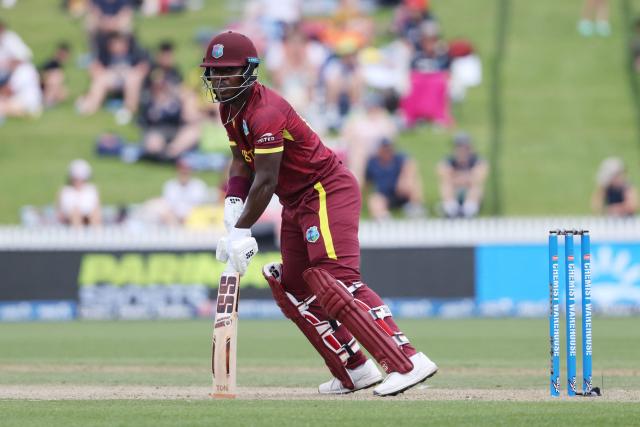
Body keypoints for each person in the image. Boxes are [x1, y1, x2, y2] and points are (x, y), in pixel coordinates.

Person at [200, 31, 437, 397]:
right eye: (213, 72)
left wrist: (242, 229)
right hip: (295, 201)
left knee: (335, 279)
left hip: (325, 189)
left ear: (250, 71)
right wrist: (232, 212)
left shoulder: (266, 112)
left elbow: (265, 180)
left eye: (226, 71)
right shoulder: (229, 107)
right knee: (293, 286)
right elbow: (239, 162)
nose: (218, 80)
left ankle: (407, 360)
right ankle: (354, 370)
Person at [365, 138, 425, 220]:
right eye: (384, 148)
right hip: (385, 195)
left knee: (413, 183)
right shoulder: (373, 162)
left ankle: (415, 207)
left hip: (402, 192)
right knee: (375, 199)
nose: (387, 151)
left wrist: (403, 179)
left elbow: (411, 166)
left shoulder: (400, 158)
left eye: (389, 148)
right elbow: (367, 182)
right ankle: (382, 216)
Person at [436, 132, 488, 218]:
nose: (461, 150)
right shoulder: (448, 160)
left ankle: (469, 210)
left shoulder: (478, 160)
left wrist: (456, 177)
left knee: (475, 186)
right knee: (446, 185)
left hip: (470, 192)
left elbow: (478, 177)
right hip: (455, 190)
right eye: (459, 147)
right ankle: (451, 209)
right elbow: (444, 175)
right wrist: (465, 178)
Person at [56, 159, 102, 227]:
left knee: (94, 216)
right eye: (76, 178)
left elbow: (97, 208)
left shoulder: (91, 189)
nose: (78, 181)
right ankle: (78, 236)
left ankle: (97, 236)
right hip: (70, 220)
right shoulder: (65, 191)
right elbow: (60, 212)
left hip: (88, 218)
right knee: (75, 215)